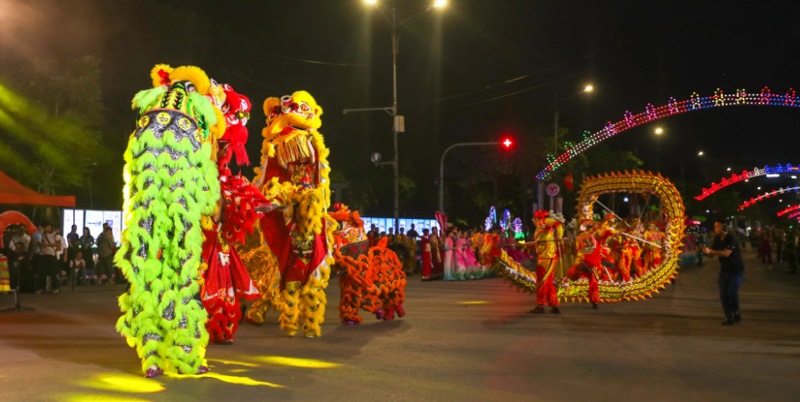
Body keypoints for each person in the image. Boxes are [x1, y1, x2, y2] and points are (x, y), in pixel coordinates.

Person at [700, 221, 745, 326]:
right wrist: (703, 251)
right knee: (723, 294)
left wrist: (710, 251)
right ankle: (729, 317)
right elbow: (711, 254)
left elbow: (726, 254)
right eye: (714, 226)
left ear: (724, 227)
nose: (715, 228)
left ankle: (736, 311)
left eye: (717, 226)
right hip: (724, 271)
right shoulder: (716, 239)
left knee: (732, 292)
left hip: (736, 270)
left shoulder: (731, 238)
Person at [530, 210, 564, 314]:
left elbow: (558, 224)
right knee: (548, 282)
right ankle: (554, 305)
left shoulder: (544, 221)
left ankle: (540, 305)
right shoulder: (539, 227)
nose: (533, 221)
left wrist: (559, 237)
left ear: (537, 218)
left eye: (534, 218)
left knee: (542, 282)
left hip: (547, 257)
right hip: (543, 256)